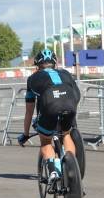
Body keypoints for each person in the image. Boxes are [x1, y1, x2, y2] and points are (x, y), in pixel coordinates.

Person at [18, 49, 81, 190]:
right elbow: (77, 95)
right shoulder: (65, 73)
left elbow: (29, 111)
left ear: (37, 66)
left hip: (50, 106)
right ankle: (72, 170)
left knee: (46, 141)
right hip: (70, 104)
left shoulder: (32, 79)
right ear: (55, 64)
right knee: (66, 134)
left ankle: (54, 172)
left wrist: (26, 134)